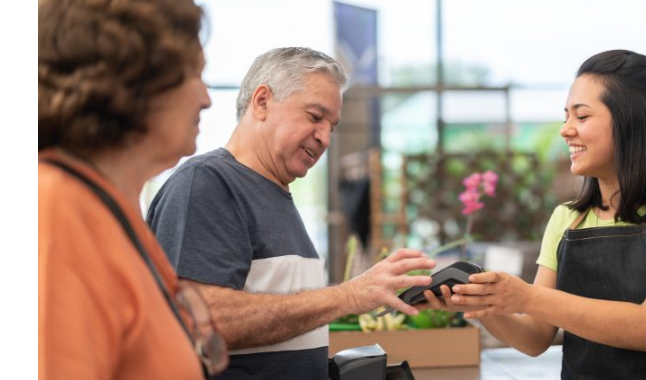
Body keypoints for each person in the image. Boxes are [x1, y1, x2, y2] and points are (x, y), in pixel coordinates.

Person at [422, 50, 646, 380]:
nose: (566, 130)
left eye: (581, 117)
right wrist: (482, 305)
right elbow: (536, 337)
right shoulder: (567, 219)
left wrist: (527, 296)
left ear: (632, 121)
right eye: (566, 116)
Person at [146, 47, 435, 380]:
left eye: (332, 126)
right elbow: (201, 318)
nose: (325, 137)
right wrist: (348, 295)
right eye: (314, 116)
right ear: (262, 101)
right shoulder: (207, 183)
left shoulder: (276, 194)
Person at [38, 0, 228, 379]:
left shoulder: (111, 209)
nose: (206, 99)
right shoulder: (58, 210)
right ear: (136, 81)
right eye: (195, 74)